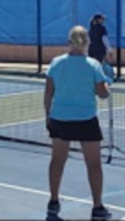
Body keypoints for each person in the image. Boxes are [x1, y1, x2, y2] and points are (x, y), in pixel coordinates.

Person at [44, 26, 111, 221]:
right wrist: (107, 83)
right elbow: (103, 94)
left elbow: (48, 93)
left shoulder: (56, 63)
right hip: (86, 120)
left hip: (60, 119)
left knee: (57, 161)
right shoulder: (93, 65)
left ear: (69, 43)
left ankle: (53, 202)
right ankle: (97, 207)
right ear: (87, 43)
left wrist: (48, 116)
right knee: (93, 164)